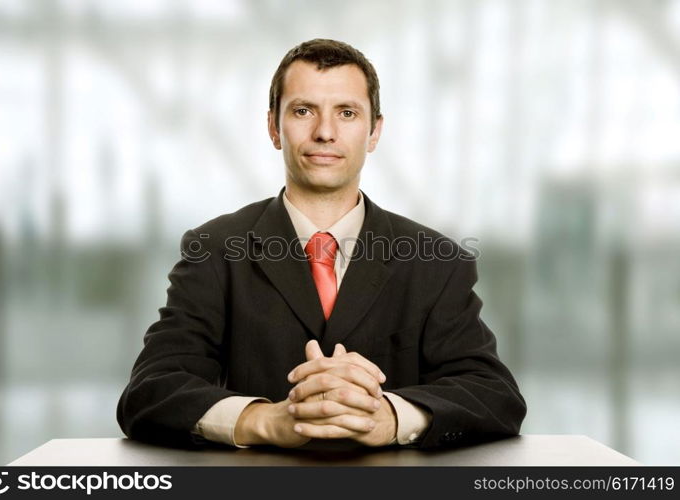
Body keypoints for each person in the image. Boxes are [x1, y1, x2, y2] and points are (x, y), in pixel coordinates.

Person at [116, 39, 526, 450]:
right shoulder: (215, 250)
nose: (325, 132)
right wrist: (264, 420)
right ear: (274, 127)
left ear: (374, 131)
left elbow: (494, 394)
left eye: (346, 113)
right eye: (303, 111)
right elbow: (151, 390)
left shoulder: (437, 260)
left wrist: (391, 416)